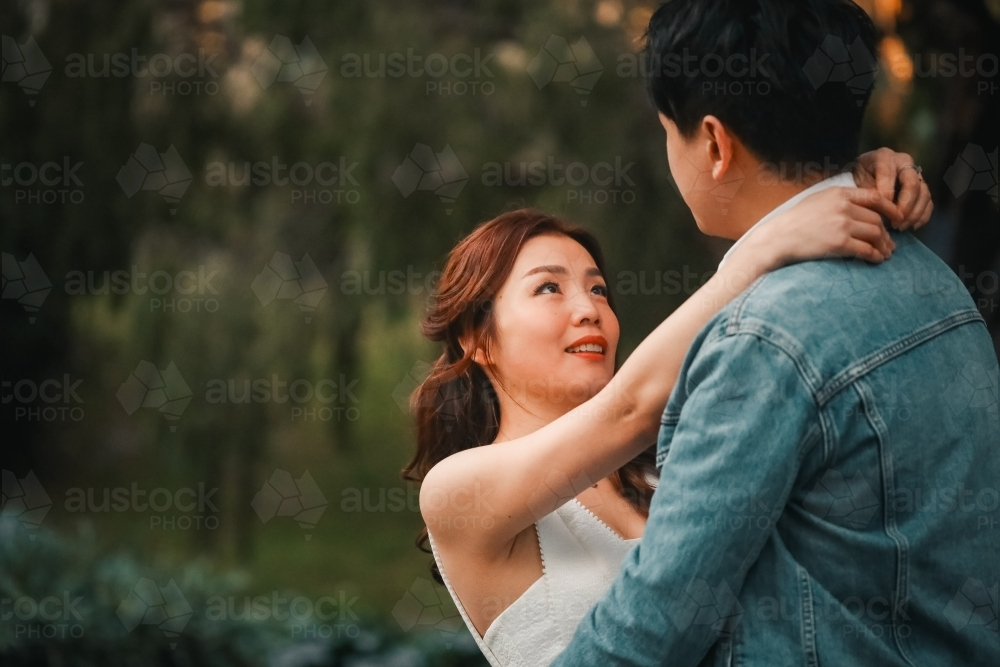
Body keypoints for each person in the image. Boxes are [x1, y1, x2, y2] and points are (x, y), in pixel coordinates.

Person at [545, 1, 999, 666]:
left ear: (714, 143)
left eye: (670, 132)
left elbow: (653, 624)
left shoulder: (762, 341)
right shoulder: (937, 282)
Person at [407, 149, 932, 665]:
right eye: (549, 288)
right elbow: (631, 407)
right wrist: (769, 243)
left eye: (599, 290)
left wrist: (850, 184)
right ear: (478, 339)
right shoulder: (457, 494)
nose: (589, 309)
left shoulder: (671, 470)